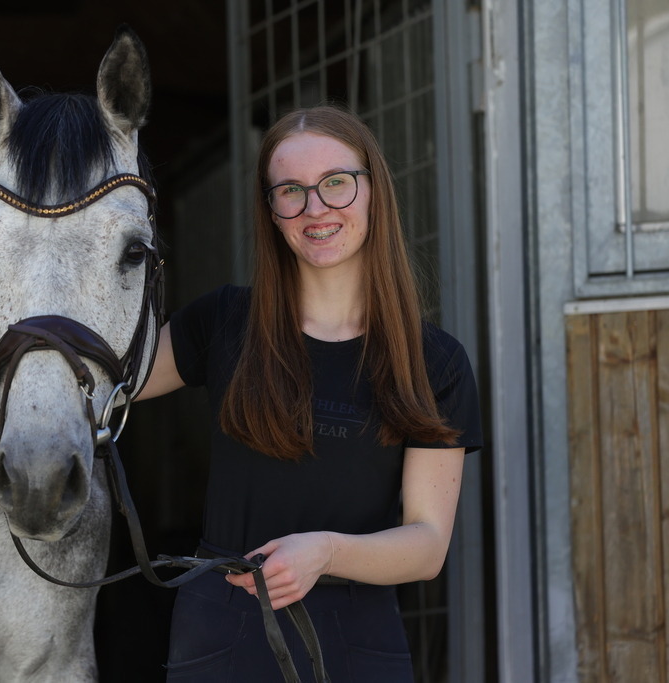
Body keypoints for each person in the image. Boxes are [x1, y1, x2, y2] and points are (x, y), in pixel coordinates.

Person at [136, 104, 483, 682]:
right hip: (221, 630)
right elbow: (100, 386)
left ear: (373, 190)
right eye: (290, 191)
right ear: (271, 210)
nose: (315, 208)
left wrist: (327, 551)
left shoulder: (434, 362)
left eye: (336, 184)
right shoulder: (223, 321)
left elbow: (427, 545)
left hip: (358, 636)